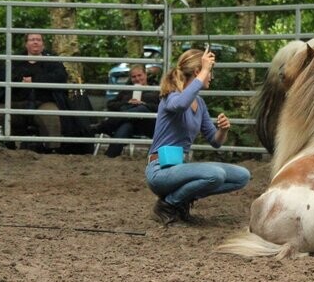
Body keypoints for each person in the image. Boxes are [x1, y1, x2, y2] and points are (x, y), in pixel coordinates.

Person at [145, 47, 250, 226]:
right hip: (159, 170)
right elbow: (180, 105)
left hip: (180, 169)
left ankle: (180, 200)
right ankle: (168, 205)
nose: (211, 77)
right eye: (210, 72)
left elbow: (215, 142)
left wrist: (223, 130)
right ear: (197, 71)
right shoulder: (171, 96)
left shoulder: (199, 103)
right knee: (215, 175)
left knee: (242, 176)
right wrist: (205, 70)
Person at [0, 33, 68, 152]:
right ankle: (6, 148)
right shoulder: (15, 60)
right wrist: (19, 80)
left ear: (43, 44)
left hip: (43, 102)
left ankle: (52, 150)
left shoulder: (52, 60)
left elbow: (61, 76)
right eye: (32, 40)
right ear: (26, 43)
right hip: (16, 103)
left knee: (51, 116)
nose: (35, 42)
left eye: (38, 40)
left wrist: (34, 80)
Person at [94, 64, 159, 157]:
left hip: (148, 124)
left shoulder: (155, 89)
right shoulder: (127, 90)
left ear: (145, 75)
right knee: (126, 125)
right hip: (130, 124)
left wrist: (145, 104)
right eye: (134, 77)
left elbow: (161, 107)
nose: (137, 79)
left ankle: (104, 126)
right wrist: (127, 103)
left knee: (142, 108)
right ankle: (110, 156)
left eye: (139, 75)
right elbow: (110, 104)